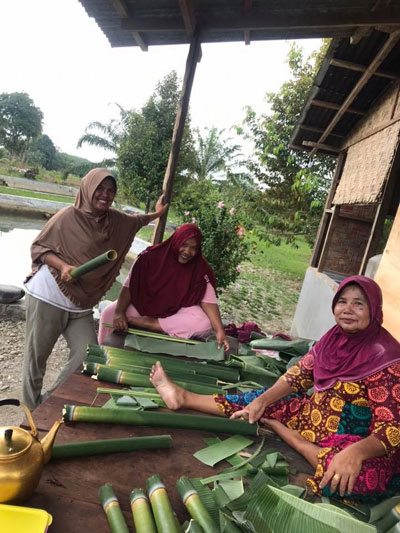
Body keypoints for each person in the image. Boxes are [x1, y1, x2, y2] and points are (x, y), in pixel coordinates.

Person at [149, 275, 400, 500]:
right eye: (342, 301)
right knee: (256, 401)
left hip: (354, 442)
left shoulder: (387, 358)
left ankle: (292, 439)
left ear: (374, 310)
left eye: (359, 304)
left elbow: (392, 428)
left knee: (350, 479)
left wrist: (356, 453)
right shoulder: (332, 339)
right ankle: (184, 398)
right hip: (310, 416)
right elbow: (297, 377)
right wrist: (262, 402)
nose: (348, 309)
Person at [22, 168, 167, 410]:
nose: (105, 194)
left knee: (88, 354)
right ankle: (29, 410)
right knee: (36, 359)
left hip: (81, 303)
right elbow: (39, 248)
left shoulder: (115, 221)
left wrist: (158, 214)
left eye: (111, 191)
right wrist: (63, 265)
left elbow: (137, 222)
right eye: (100, 188)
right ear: (88, 189)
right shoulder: (67, 216)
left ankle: (46, 402)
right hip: (49, 295)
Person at [98, 223, 229, 351]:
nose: (188, 252)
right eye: (184, 245)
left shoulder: (200, 268)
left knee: (204, 323)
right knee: (109, 313)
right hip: (143, 306)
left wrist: (219, 330)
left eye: (193, 248)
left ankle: (153, 324)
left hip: (175, 312)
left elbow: (208, 301)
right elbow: (129, 286)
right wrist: (119, 312)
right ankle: (101, 350)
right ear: (176, 241)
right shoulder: (149, 257)